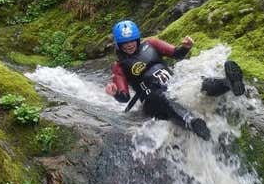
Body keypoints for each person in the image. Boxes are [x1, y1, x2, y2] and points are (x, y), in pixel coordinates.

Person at [104, 20, 245, 141]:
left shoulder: (151, 43)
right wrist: (115, 93)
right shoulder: (119, 66)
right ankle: (191, 122)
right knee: (163, 98)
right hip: (152, 100)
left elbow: (176, 54)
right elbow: (124, 97)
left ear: (137, 38)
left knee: (195, 84)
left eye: (131, 40)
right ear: (119, 45)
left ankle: (228, 83)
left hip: (173, 85)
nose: (129, 45)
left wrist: (185, 47)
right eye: (124, 43)